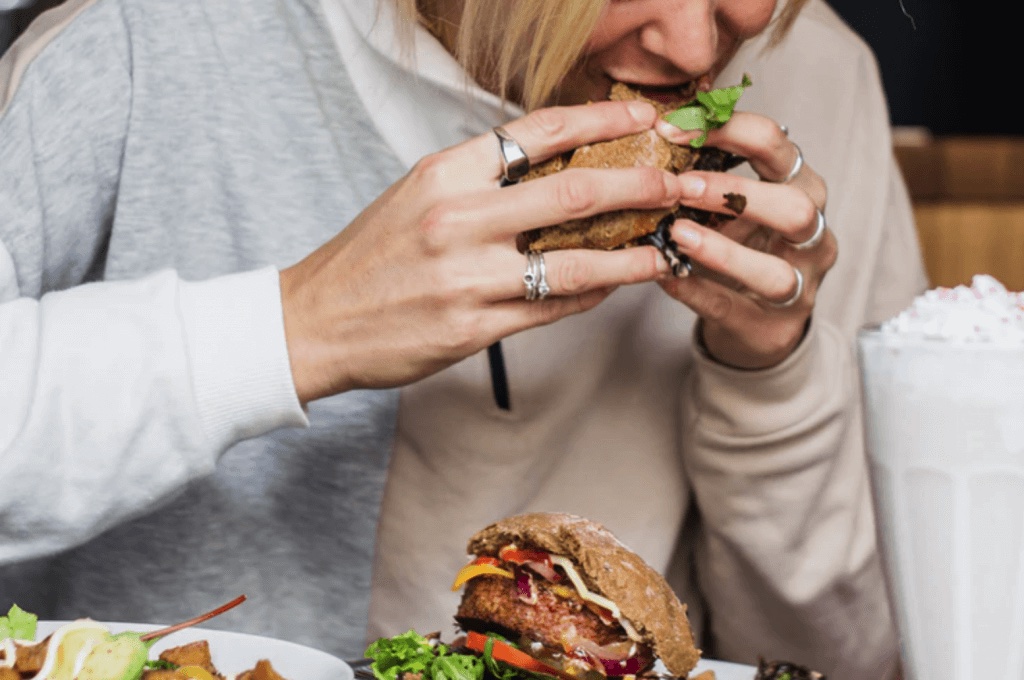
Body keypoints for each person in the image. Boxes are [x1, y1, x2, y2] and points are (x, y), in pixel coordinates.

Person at [0, 0, 926, 677]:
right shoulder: (136, 41)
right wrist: (297, 326)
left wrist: (771, 375)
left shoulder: (819, 83)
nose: (694, 44)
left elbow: (857, 655)